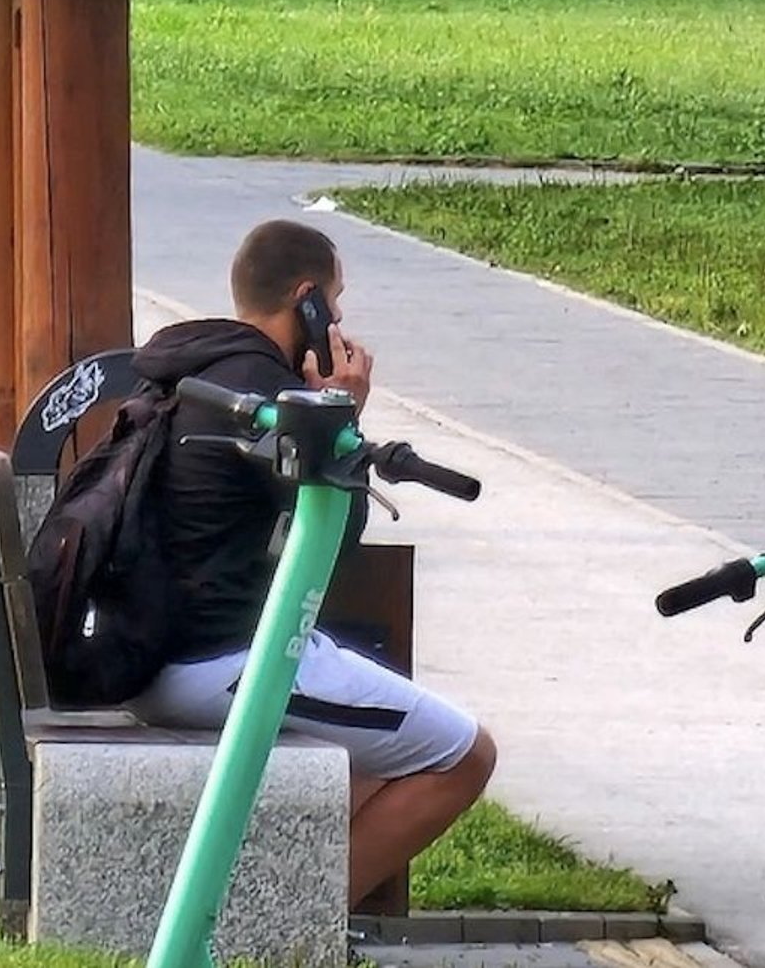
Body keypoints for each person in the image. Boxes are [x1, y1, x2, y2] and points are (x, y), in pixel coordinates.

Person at [127, 220, 499, 910]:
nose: (340, 319)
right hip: (220, 661)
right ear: (308, 300)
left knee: (364, 766)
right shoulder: (271, 397)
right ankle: (290, 936)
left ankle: (273, 915)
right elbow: (332, 544)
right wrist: (344, 414)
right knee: (463, 754)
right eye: (336, 301)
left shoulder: (199, 370)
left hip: (157, 648)